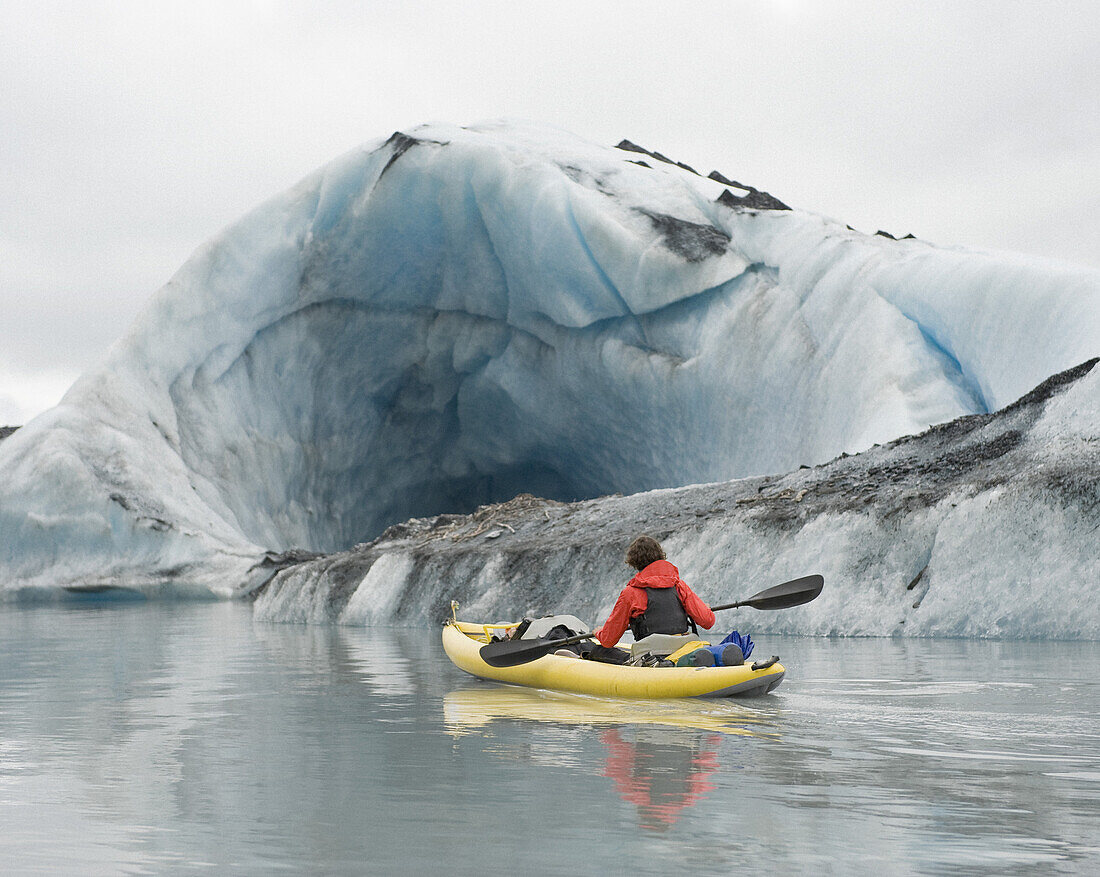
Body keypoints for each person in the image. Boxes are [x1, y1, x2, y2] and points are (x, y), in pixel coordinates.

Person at [593, 536, 716, 651]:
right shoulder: (679, 585)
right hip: (683, 650)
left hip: (652, 655)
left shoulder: (630, 593)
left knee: (600, 651)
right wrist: (705, 609)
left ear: (634, 562)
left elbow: (608, 640)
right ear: (660, 555)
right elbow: (707, 621)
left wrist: (598, 633)